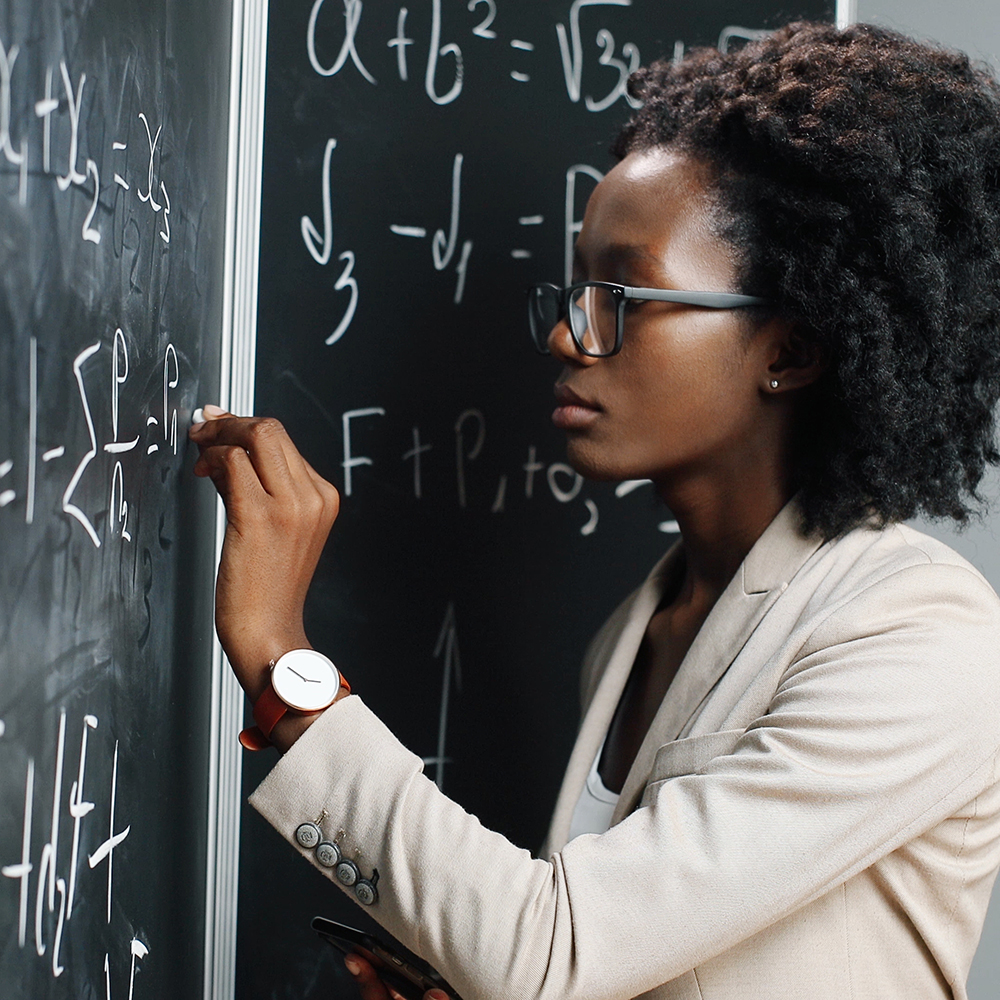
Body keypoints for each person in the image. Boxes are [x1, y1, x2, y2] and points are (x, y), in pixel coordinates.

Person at [190, 21, 1000, 1000]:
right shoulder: (627, 634)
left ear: (786, 350)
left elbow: (552, 953)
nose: (567, 331)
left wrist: (283, 663)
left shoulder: (917, 631)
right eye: (576, 285)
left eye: (623, 293)